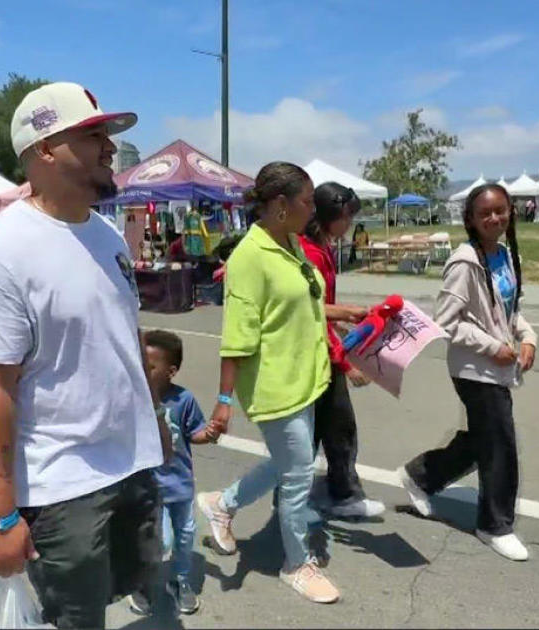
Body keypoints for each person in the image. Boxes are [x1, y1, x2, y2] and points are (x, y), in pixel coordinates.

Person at [0, 82, 171, 629]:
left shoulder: (107, 235)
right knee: (75, 618)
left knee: (126, 594)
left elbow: (123, 336)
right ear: (45, 149)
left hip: (131, 462)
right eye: (93, 135)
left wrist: (155, 418)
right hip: (61, 485)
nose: (109, 148)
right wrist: (0, 519)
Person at [195, 161, 341, 604]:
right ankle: (296, 564)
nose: (312, 209)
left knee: (287, 463)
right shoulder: (250, 258)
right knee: (298, 474)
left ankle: (223, 504)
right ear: (280, 205)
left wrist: (347, 313)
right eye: (307, 201)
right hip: (275, 386)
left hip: (307, 377)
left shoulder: (292, 243)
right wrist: (223, 400)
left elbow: (301, 305)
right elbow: (237, 337)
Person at [397, 183, 538, 562]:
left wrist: (528, 338)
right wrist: (494, 347)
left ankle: (421, 476)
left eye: (501, 210)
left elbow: (507, 310)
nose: (495, 218)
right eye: (485, 213)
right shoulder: (464, 262)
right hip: (475, 368)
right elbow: (446, 321)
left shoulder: (503, 254)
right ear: (471, 220)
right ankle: (494, 525)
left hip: (499, 365)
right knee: (500, 445)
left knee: (483, 440)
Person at [298, 183, 385, 519]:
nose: (350, 224)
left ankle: (302, 497)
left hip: (322, 348)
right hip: (317, 353)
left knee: (320, 430)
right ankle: (342, 495)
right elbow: (313, 313)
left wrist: (345, 324)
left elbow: (325, 310)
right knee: (336, 427)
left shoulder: (321, 247)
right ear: (330, 215)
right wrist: (344, 363)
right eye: (347, 217)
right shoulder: (311, 253)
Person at [128, 330, 214, 617]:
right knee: (161, 540)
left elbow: (195, 433)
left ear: (171, 371)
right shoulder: (135, 398)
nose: (144, 371)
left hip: (181, 486)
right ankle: (139, 581)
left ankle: (180, 580)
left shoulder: (183, 400)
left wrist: (210, 434)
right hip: (151, 489)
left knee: (185, 536)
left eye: (151, 367)